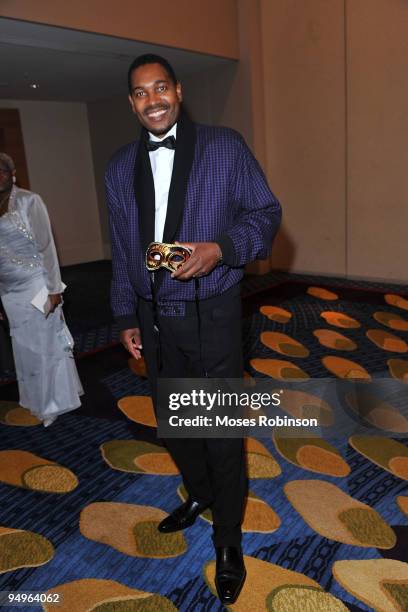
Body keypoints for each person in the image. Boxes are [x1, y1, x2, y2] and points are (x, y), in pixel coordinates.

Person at [105, 54, 281, 604]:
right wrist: (125, 316)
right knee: (175, 423)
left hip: (212, 314)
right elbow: (122, 250)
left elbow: (266, 214)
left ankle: (228, 538)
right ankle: (201, 495)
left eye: (160, 88)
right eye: (140, 92)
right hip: (152, 318)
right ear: (132, 102)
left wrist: (222, 250)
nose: (152, 99)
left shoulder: (224, 147)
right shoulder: (117, 167)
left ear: (177, 91)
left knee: (220, 431)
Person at [0, 153, 83, 426]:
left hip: (36, 283)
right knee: (24, 347)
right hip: (8, 291)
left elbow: (47, 247)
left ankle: (53, 403)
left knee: (44, 345)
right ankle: (34, 398)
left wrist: (53, 288)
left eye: (2, 170)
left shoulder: (28, 201)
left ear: (12, 174)